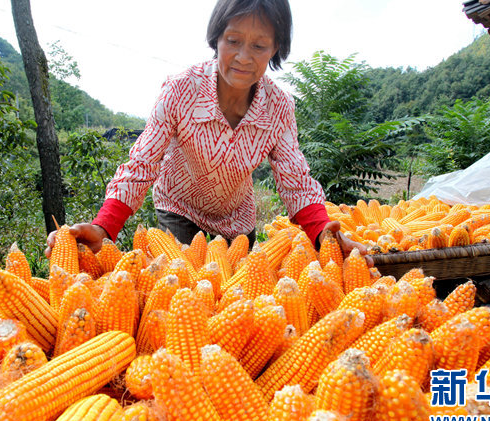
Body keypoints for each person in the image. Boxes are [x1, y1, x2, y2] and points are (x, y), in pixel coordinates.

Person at [46, 0, 370, 264]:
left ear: (276, 49)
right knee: (186, 294)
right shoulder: (180, 90)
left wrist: (323, 232)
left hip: (238, 222)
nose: (243, 57)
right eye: (233, 41)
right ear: (216, 37)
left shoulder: (279, 107)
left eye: (259, 46)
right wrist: (105, 226)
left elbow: (295, 180)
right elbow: (141, 165)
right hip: (179, 210)